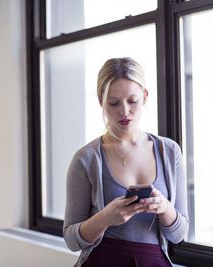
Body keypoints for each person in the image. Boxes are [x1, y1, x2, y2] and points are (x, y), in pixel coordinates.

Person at [63, 57, 188, 267]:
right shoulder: (86, 159)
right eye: (113, 103)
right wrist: (105, 218)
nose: (124, 111)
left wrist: (164, 208)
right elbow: (71, 240)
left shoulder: (169, 152)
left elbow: (180, 234)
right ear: (101, 102)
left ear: (145, 97)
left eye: (132, 101)